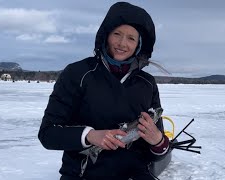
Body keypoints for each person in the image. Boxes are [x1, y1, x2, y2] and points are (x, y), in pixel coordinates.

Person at [38, 2, 170, 180]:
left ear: (140, 44)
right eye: (117, 34)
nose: (122, 43)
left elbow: (157, 154)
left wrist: (158, 141)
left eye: (131, 38)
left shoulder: (147, 83)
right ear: (106, 35)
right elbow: (48, 134)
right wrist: (90, 135)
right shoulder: (78, 73)